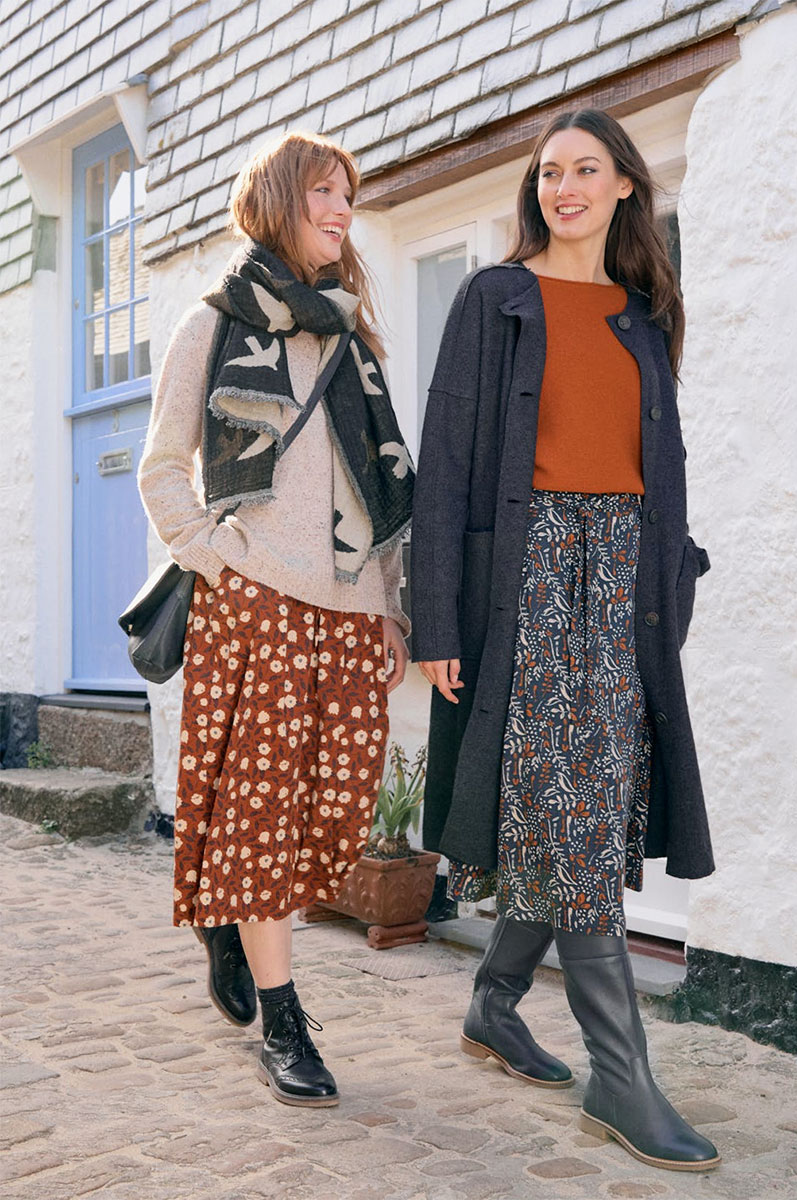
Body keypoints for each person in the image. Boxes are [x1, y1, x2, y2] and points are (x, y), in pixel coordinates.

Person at [410, 109, 719, 1172]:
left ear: (625, 184)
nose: (564, 187)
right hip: (529, 573)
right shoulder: (494, 297)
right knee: (573, 810)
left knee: (581, 798)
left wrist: (670, 579)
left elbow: (661, 464)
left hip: (622, 580)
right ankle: (620, 1079)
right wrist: (436, 616)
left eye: (586, 169)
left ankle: (494, 1001)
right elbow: (445, 461)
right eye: (549, 172)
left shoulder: (645, 313)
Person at [138, 131, 413, 1107]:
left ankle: (228, 913)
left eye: (348, 196)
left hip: (349, 612)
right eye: (322, 194)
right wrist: (221, 561)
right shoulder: (215, 324)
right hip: (255, 603)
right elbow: (162, 469)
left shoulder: (351, 338)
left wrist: (387, 609)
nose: (342, 211)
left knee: (334, 813)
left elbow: (378, 485)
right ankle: (283, 1020)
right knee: (260, 815)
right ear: (277, 204)